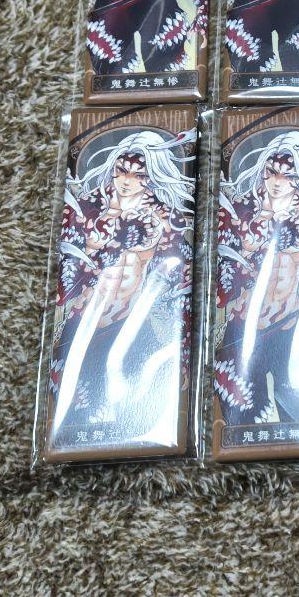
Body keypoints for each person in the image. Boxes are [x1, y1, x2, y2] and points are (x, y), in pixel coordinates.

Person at [50, 129, 196, 444]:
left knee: (141, 407)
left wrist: (182, 348)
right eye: (122, 170)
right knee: (74, 410)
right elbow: (69, 271)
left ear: (151, 177)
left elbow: (181, 280)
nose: (127, 181)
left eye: (138, 175)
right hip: (84, 322)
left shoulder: (165, 219)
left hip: (131, 324)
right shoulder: (88, 208)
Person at [214, 129, 299, 427]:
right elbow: (223, 284)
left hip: (290, 326)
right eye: (271, 172)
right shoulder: (240, 213)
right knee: (241, 421)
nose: (277, 181)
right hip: (243, 328)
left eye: (287, 175)